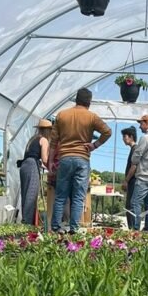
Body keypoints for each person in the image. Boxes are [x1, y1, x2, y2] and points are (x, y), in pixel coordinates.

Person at [50, 87, 111, 233]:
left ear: (76, 99)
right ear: (89, 102)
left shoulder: (62, 115)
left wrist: (52, 160)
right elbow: (107, 131)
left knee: (60, 196)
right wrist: (94, 145)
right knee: (78, 196)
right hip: (82, 158)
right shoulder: (91, 117)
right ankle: (74, 229)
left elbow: (53, 141)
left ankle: (56, 228)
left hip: (64, 158)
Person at [18, 118, 51, 225]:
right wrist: (52, 169)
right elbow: (45, 159)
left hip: (24, 165)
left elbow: (32, 155)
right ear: (48, 131)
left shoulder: (33, 139)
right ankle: (27, 222)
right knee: (31, 194)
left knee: (25, 193)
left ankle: (25, 218)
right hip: (32, 165)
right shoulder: (44, 140)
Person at [120, 126, 137, 229]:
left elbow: (134, 166)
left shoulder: (135, 149)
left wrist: (126, 181)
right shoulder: (133, 149)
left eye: (124, 136)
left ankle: (132, 229)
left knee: (130, 206)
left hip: (133, 181)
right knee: (130, 206)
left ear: (131, 137)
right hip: (131, 181)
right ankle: (132, 228)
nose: (123, 139)